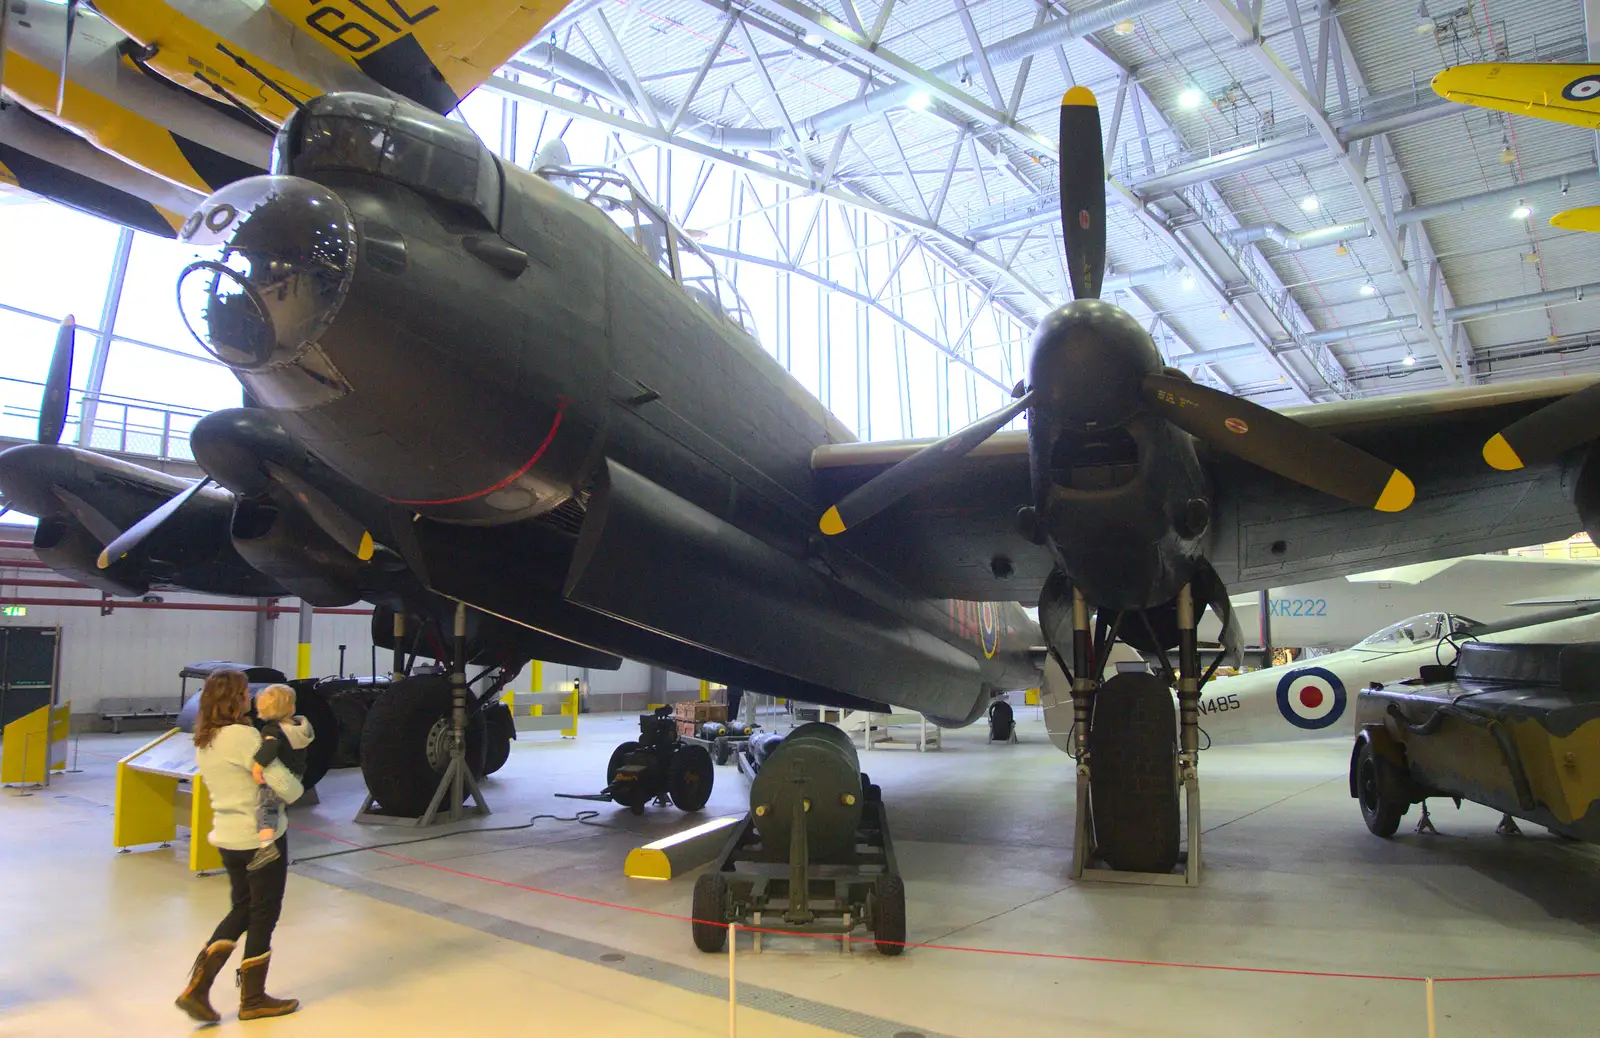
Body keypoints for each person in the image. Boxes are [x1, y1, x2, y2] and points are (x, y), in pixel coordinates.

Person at [175, 670, 305, 1023]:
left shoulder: (205, 738)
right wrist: (295, 783)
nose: (250, 697)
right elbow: (287, 788)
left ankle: (198, 989)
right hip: (261, 840)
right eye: (246, 691)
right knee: (264, 913)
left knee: (243, 910)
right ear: (234, 698)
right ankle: (253, 998)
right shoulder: (245, 736)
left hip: (229, 838)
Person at [248, 684, 313, 872]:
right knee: (277, 806)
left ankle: (266, 845)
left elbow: (269, 748)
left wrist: (258, 766)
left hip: (281, 776)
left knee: (267, 807)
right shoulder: (298, 727)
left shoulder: (273, 730)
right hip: (297, 775)